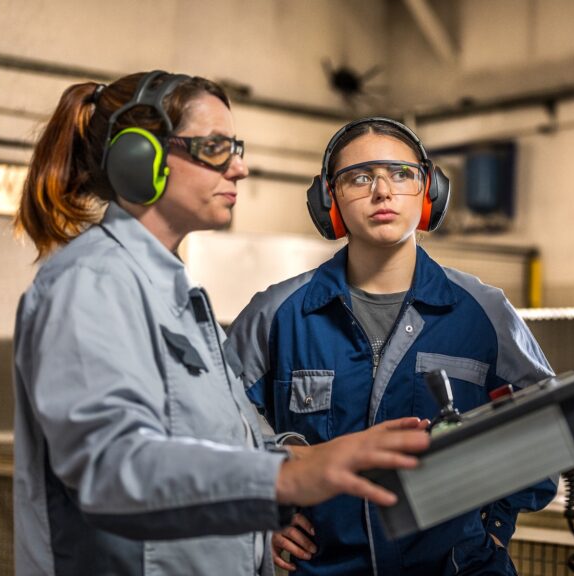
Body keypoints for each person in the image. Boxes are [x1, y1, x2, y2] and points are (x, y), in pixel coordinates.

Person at [12, 73, 429, 576]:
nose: (240, 168)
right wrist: (281, 479)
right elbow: (110, 468)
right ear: (138, 158)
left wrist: (313, 457)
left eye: (236, 147)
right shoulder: (92, 283)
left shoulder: (175, 294)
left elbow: (223, 441)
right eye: (214, 147)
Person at [226, 117, 557, 575]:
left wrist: (494, 525)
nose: (382, 191)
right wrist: (261, 512)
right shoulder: (278, 315)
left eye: (401, 174)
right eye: (359, 177)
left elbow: (549, 428)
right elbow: (212, 426)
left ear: (428, 192)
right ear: (329, 200)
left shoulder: (483, 313)